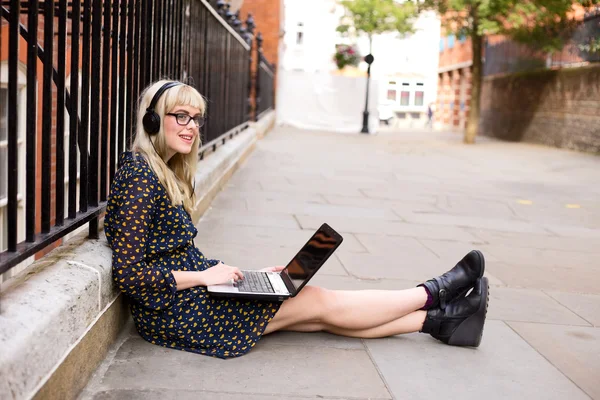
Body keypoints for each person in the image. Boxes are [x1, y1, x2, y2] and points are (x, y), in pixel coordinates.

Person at [104, 80, 490, 359]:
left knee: (312, 310)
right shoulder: (140, 174)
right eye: (181, 116)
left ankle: (441, 322)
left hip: (191, 295)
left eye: (197, 119)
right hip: (175, 312)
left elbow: (171, 253)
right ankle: (434, 293)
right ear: (154, 121)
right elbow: (129, 275)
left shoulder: (162, 171)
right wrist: (205, 278)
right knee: (317, 302)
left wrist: (242, 275)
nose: (192, 127)